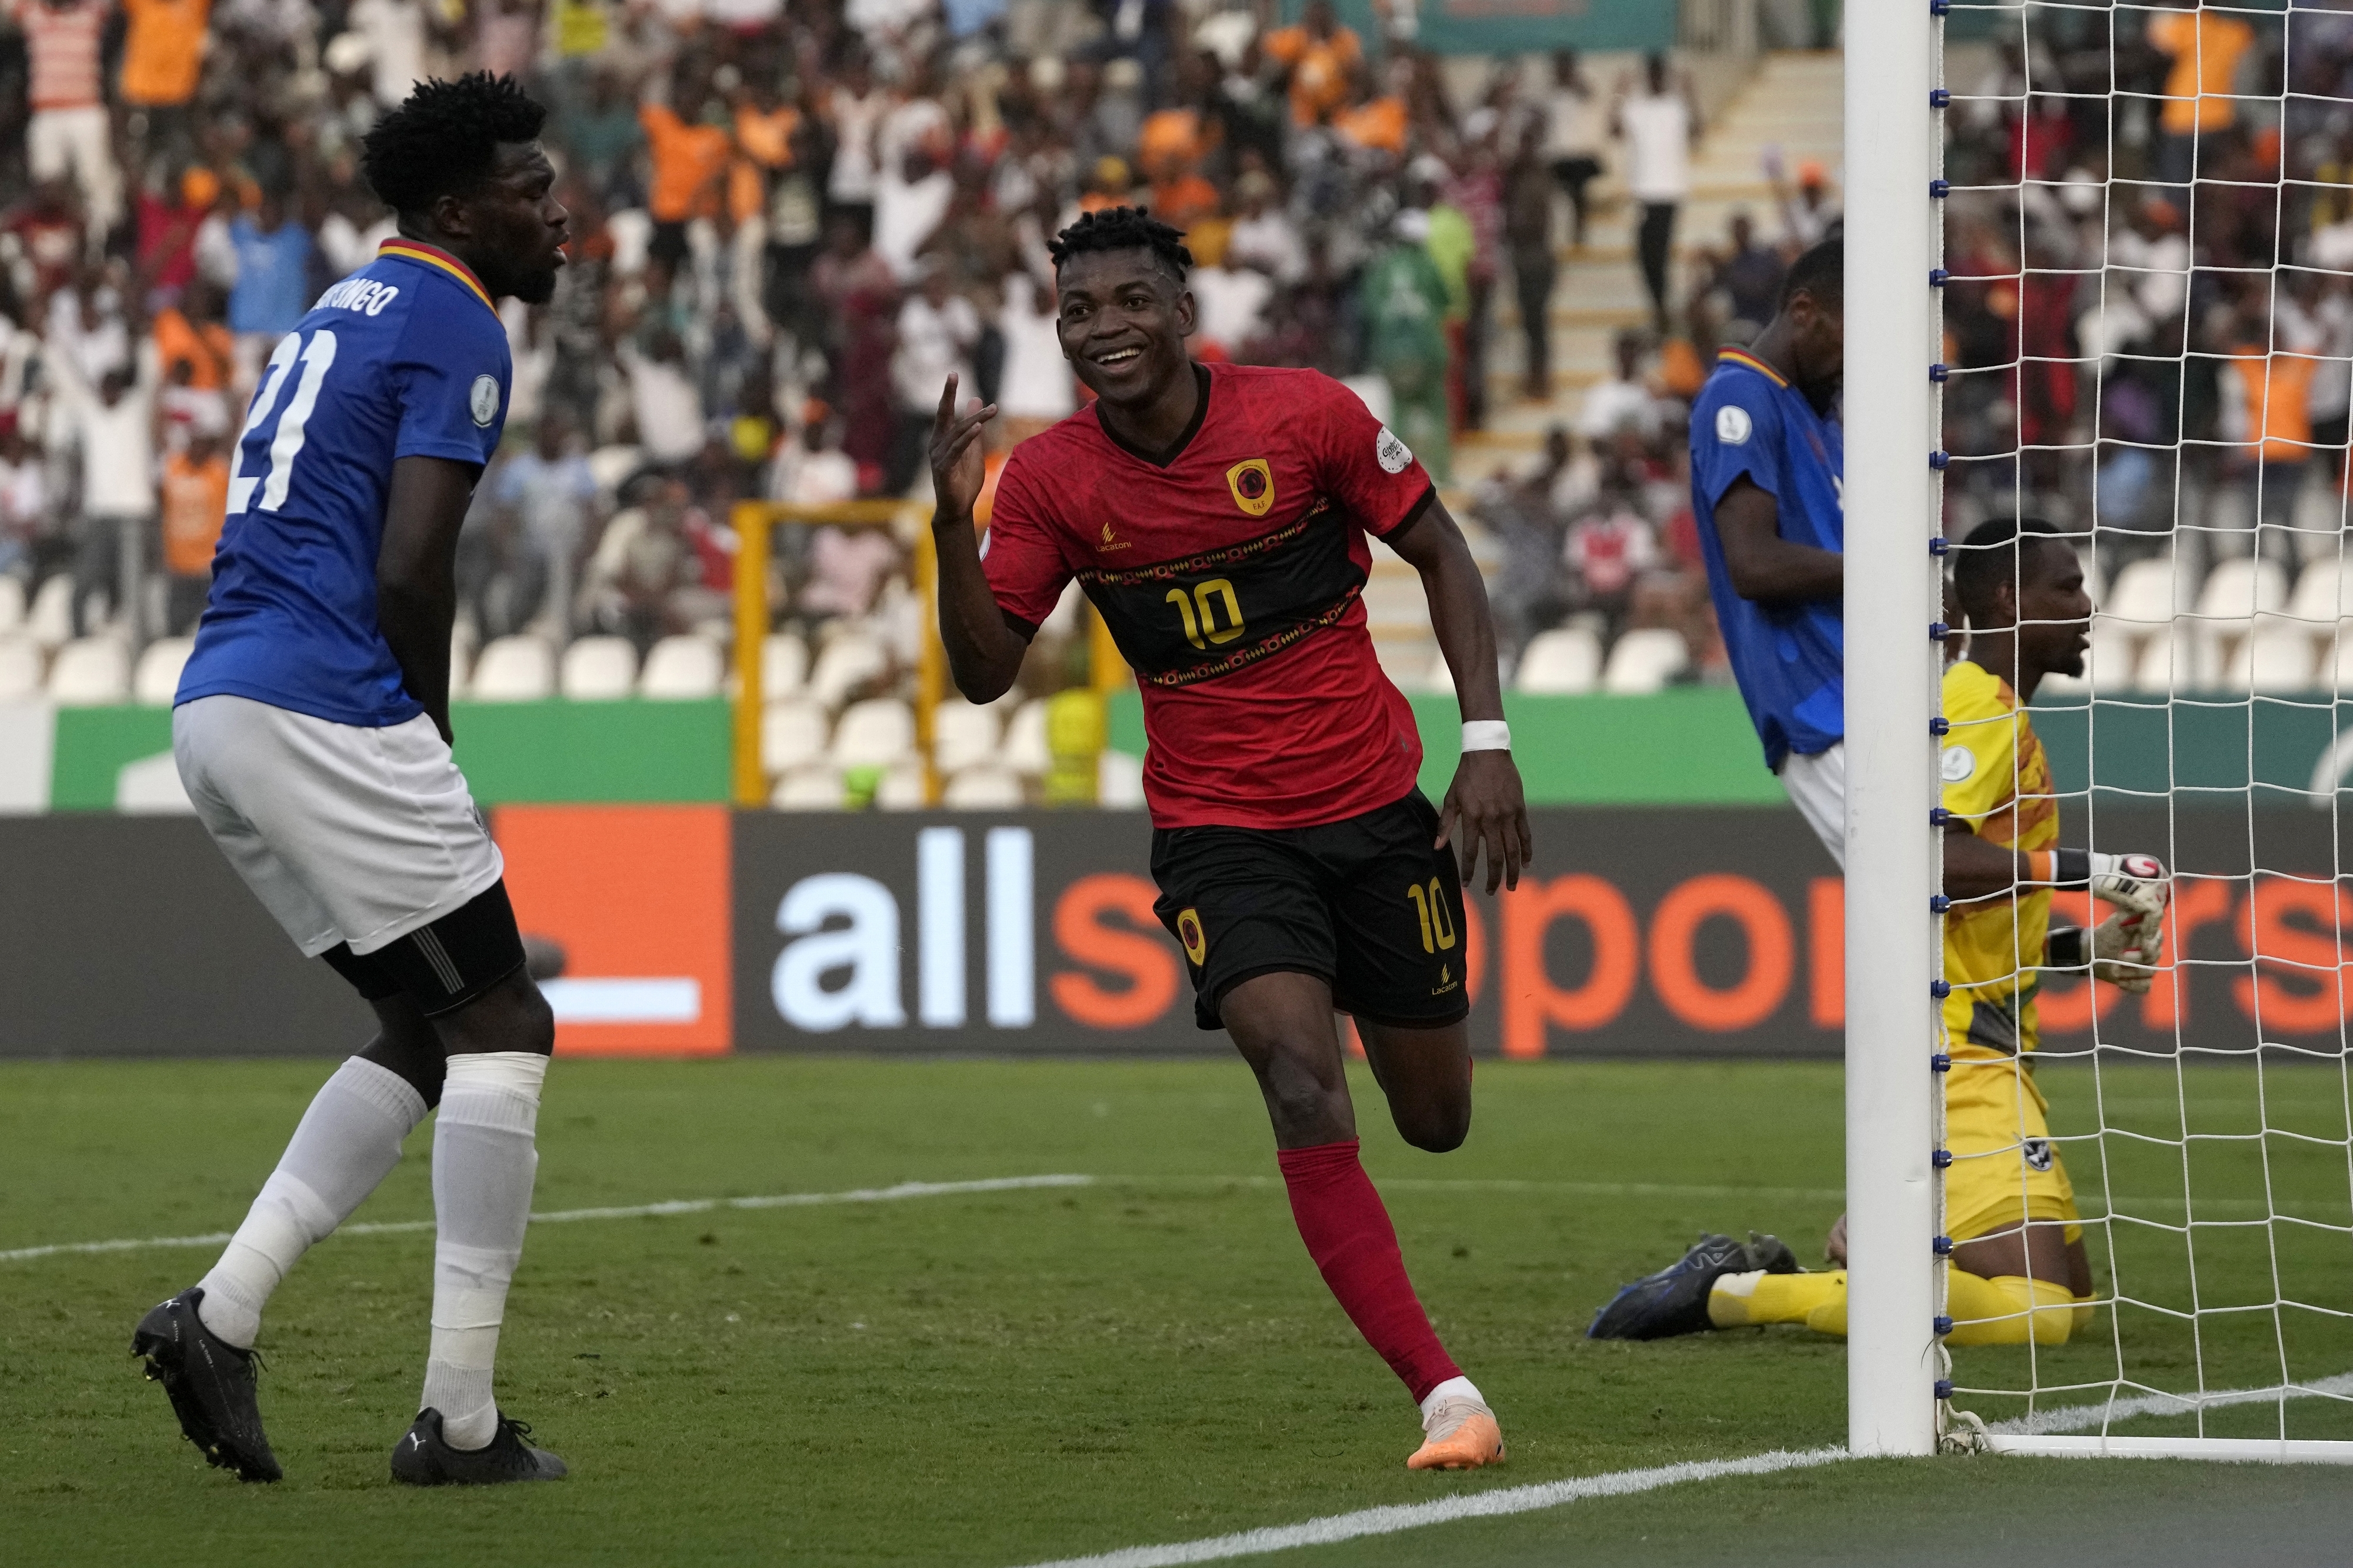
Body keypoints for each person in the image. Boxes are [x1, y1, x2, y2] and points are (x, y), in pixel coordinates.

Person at [928, 207, 1529, 1471]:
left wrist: (1483, 744)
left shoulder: (1304, 416)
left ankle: (1393, 1074)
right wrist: (949, 524)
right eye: (1079, 311)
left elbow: (1440, 550)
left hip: (1373, 811)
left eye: (1128, 302)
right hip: (1216, 834)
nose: (1104, 330)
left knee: (1433, 1120)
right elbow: (984, 673)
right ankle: (1442, 1392)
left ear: (1183, 311)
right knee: (1297, 1075)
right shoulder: (1048, 481)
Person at [135, 72, 573, 1489]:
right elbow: (410, 562)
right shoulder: (459, 315)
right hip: (327, 702)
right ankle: (457, 1421)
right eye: (531, 186)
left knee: (427, 1023)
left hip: (218, 704)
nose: (556, 211)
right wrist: (423, 730)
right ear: (459, 206)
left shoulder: (346, 302)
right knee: (505, 1015)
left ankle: (223, 1310)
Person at [1588, 519, 2172, 1346]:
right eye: (2066, 588)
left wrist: (2086, 947)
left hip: (1994, 1050)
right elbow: (1929, 861)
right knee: (2036, 1315)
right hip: (1962, 1060)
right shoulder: (1977, 704)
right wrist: (2091, 867)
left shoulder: (1998, 712)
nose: (2088, 605)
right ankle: (1739, 1291)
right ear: (2008, 599)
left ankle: (1845, 1264)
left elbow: (1971, 918)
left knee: (2067, 1303)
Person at [1681, 238, 1848, 862]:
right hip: (1816, 705)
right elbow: (1750, 563)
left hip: (1858, 689)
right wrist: (1888, 578)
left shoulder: (1814, 413)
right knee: (1917, 902)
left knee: (1947, 912)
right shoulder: (1739, 396)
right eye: (1849, 331)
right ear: (1803, 310)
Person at [1612, 53, 1694, 337]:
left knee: (1656, 255)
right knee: (1646, 254)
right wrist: (1619, 94)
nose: (1657, 79)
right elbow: (1615, 130)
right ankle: (1660, 310)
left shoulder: (1676, 105)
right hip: (1645, 193)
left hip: (1669, 192)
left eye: (1661, 74)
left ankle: (1662, 313)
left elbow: (1697, 131)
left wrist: (1691, 94)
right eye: (1653, 74)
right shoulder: (1637, 106)